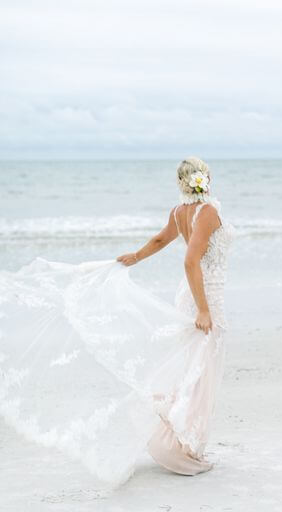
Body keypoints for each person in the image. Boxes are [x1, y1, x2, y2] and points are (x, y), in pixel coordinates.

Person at [0, 157, 236, 487]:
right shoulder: (207, 212)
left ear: (182, 183)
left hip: (192, 294)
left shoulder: (179, 212)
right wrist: (203, 309)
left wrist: (136, 257)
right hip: (203, 296)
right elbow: (190, 260)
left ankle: (184, 441)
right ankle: (185, 447)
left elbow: (160, 240)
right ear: (205, 179)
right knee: (200, 372)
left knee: (190, 368)